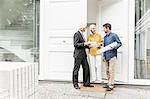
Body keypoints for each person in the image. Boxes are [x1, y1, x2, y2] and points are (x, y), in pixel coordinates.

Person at [73, 24, 94, 89]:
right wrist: (85, 43)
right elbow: (76, 44)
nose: (85, 29)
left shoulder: (82, 34)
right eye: (84, 27)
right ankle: (75, 84)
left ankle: (86, 83)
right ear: (81, 28)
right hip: (78, 55)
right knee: (76, 69)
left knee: (86, 68)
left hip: (83, 55)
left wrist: (89, 46)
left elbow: (83, 45)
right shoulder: (76, 34)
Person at [102, 23, 122, 91]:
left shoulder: (114, 35)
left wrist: (113, 47)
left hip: (112, 56)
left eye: (104, 28)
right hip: (106, 56)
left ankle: (111, 85)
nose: (103, 29)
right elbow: (104, 47)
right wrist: (103, 56)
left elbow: (119, 43)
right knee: (107, 70)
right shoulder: (105, 37)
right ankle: (108, 83)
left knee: (111, 70)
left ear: (108, 28)